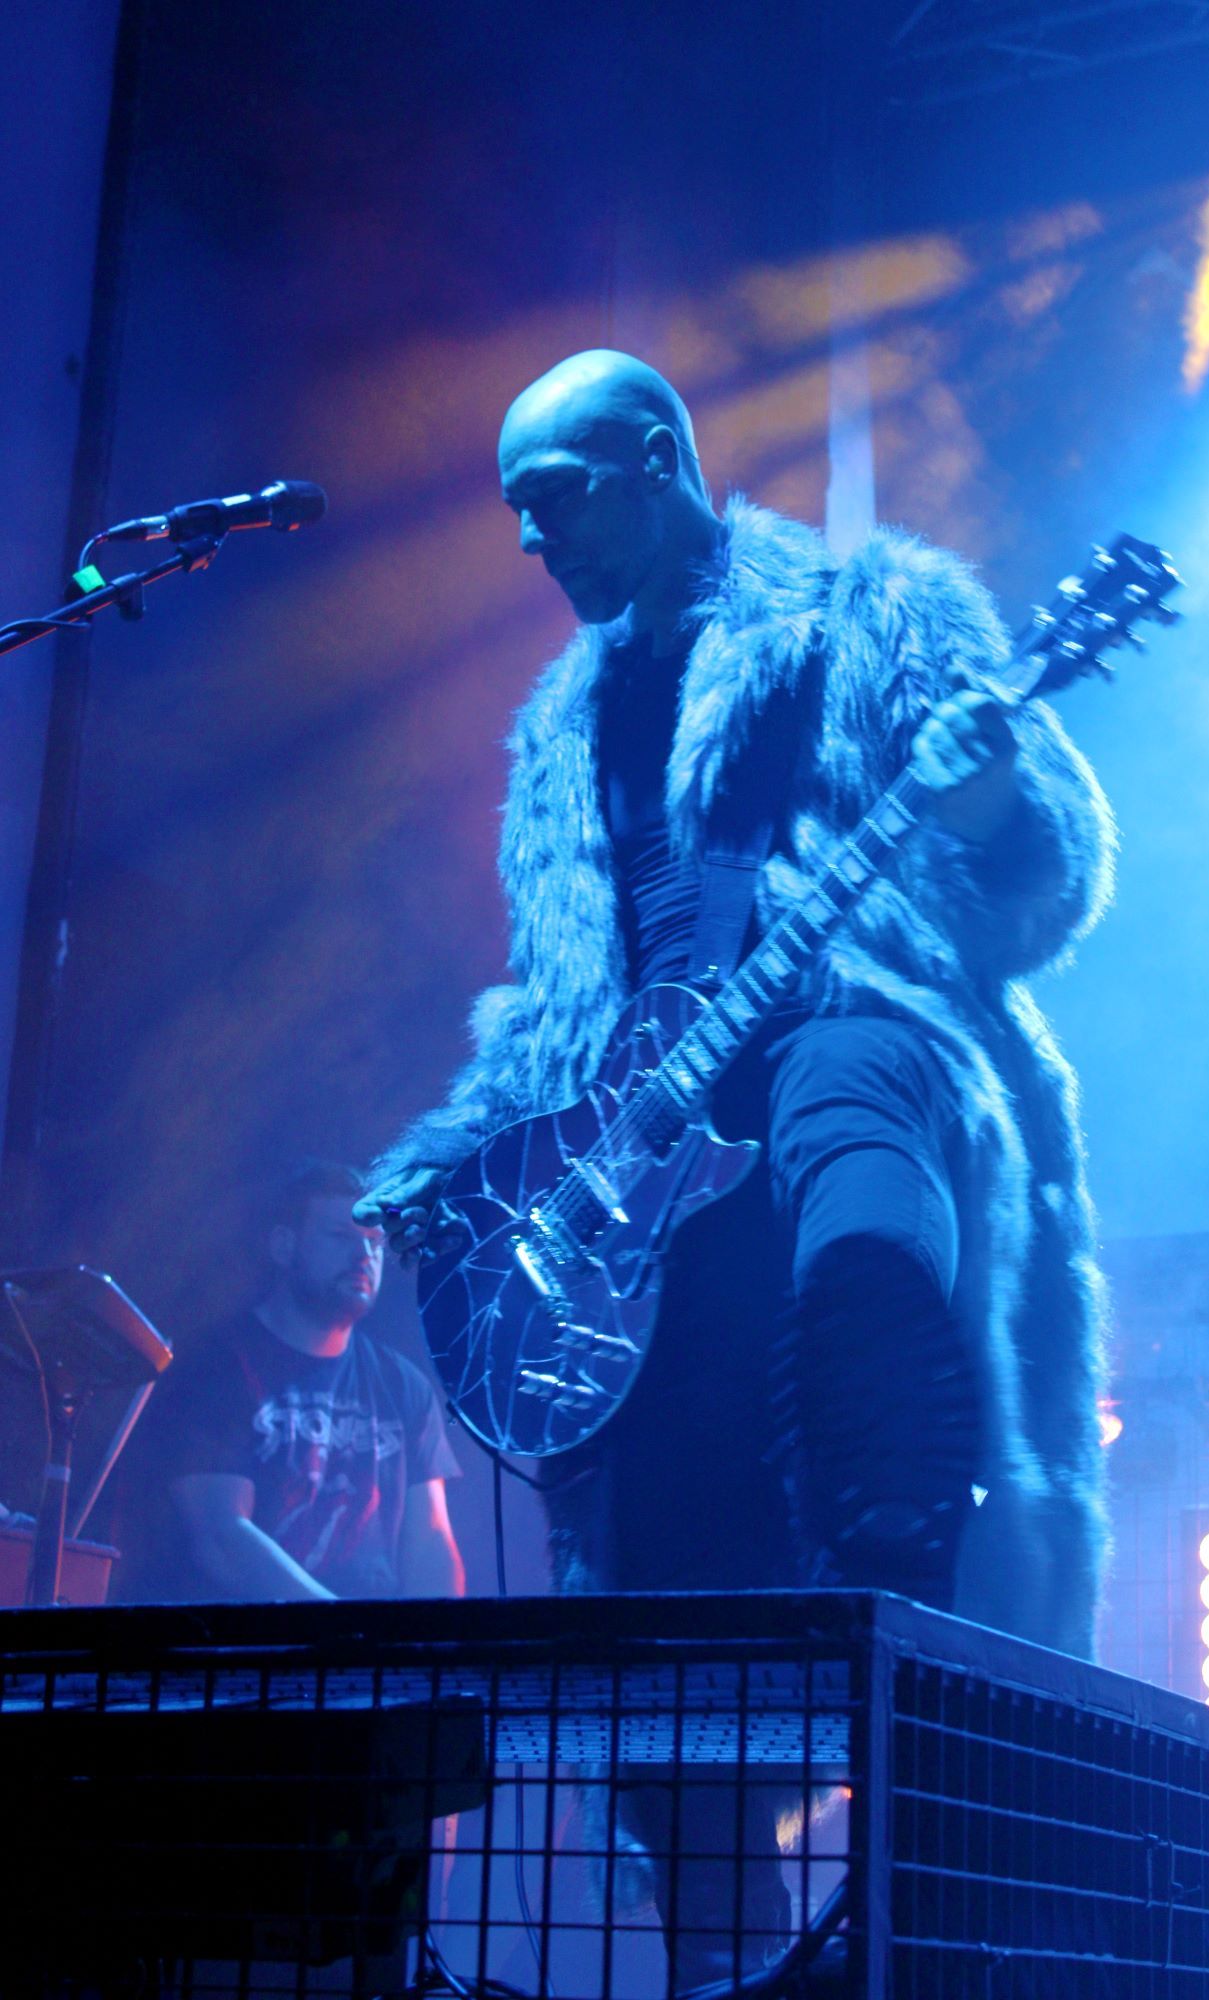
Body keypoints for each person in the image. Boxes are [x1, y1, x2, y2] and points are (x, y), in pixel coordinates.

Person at [355, 349, 1115, 1981]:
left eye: (554, 500)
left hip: (866, 1051)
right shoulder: (560, 730)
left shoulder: (870, 618)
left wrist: (990, 804)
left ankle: (894, 1492)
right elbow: (558, 1011)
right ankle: (723, 1959)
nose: (529, 541)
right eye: (513, 512)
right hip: (663, 1185)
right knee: (676, 1631)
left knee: (848, 1083)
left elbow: (1045, 877)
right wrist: (469, 1174)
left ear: (654, 460)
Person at [118, 1159, 464, 1603]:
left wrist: (435, 1636)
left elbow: (431, 1540)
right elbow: (221, 1538)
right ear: (284, 1245)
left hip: (370, 1641)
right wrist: (344, 1632)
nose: (364, 1255)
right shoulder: (213, 1368)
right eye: (340, 1236)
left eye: (375, 1242)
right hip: (250, 1640)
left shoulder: (404, 1386)